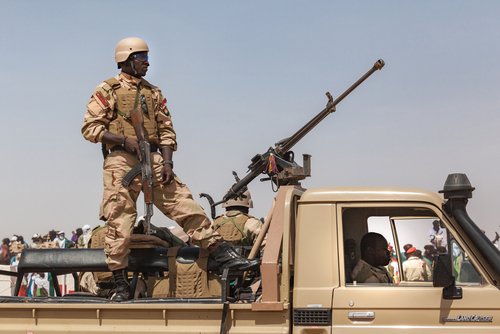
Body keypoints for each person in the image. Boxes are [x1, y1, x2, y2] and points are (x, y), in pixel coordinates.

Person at [81, 37, 258, 301]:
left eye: (146, 57)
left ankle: (222, 255)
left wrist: (167, 161)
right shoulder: (108, 89)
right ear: (128, 59)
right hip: (121, 159)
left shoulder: (154, 93)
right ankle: (119, 283)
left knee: (184, 204)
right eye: (142, 58)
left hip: (151, 158)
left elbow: (166, 131)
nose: (147, 63)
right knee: (119, 220)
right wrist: (125, 140)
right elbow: (91, 129)